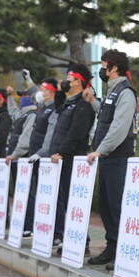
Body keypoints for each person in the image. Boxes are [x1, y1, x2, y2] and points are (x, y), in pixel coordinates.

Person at [86, 49, 138, 266]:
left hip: (118, 158)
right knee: (106, 206)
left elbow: (119, 126)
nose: (101, 69)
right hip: (108, 158)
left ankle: (121, 252)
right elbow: (107, 117)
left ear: (114, 68)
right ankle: (112, 246)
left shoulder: (126, 92)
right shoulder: (113, 91)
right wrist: (92, 102)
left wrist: (101, 149)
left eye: (104, 64)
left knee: (117, 206)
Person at [49, 65, 97, 252]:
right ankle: (74, 239)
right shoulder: (70, 101)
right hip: (63, 159)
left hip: (72, 159)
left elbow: (76, 132)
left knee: (74, 201)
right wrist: (61, 91)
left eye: (69, 77)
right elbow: (58, 109)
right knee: (66, 201)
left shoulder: (83, 103)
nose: (66, 80)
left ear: (78, 81)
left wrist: (62, 152)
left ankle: (81, 242)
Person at [22, 78, 59, 238]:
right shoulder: (43, 108)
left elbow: (50, 136)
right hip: (36, 157)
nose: (40, 93)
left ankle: (55, 232)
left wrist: (41, 153)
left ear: (51, 93)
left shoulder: (54, 109)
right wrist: (28, 80)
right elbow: (33, 92)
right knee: (39, 194)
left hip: (45, 158)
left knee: (52, 197)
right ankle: (43, 228)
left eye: (44, 91)